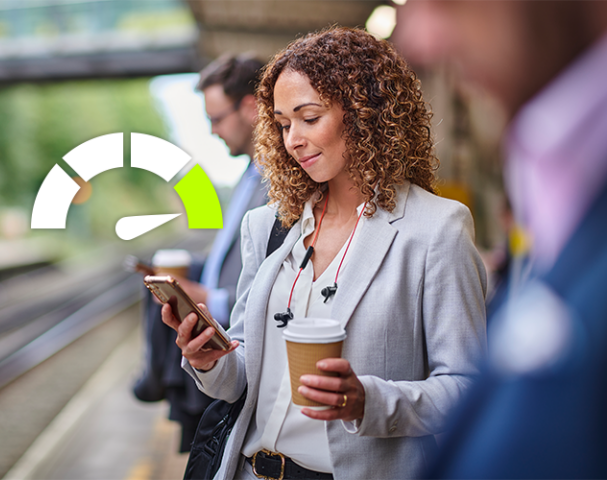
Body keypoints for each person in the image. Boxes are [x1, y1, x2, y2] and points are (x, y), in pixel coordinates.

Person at [162, 27, 487, 480]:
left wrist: (366, 402)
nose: (292, 139)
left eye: (308, 117)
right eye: (281, 123)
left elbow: (469, 392)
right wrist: (209, 359)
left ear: (364, 114)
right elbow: (239, 379)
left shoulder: (436, 229)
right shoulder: (269, 225)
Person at [394, 1, 607, 479]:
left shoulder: (442, 224)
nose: (421, 40)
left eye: (450, 2)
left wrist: (370, 399)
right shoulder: (561, 188)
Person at [133, 53, 268, 452]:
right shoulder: (249, 175)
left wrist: (211, 298)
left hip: (237, 345)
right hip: (221, 348)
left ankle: (155, 377)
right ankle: (157, 376)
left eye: (217, 118)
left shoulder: (276, 181)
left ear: (250, 107)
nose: (211, 131)